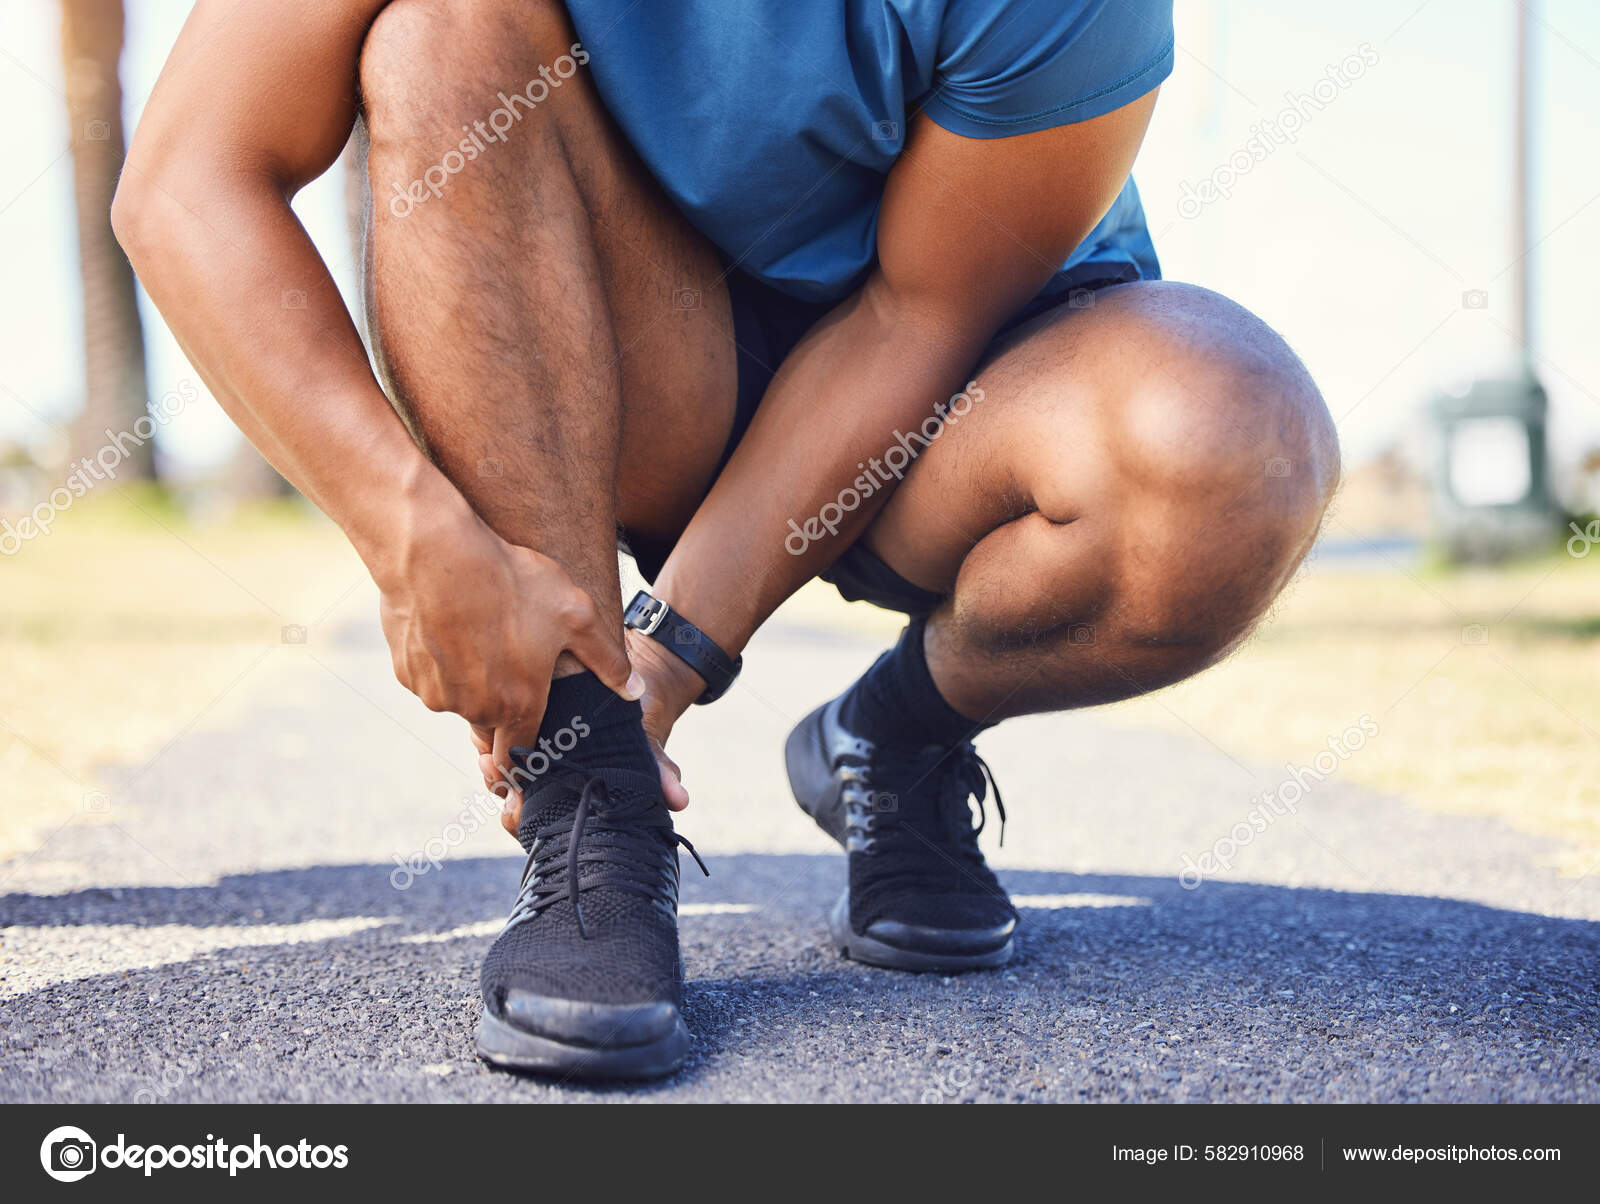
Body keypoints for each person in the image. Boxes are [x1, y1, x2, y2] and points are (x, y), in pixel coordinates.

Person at [113, 0, 1338, 1080]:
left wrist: (674, 657)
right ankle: (589, 805)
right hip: (653, 349)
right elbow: (186, 180)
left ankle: (893, 738)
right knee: (443, 32)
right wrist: (408, 527)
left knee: (1228, 449)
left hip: (956, 392)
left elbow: (910, 317)